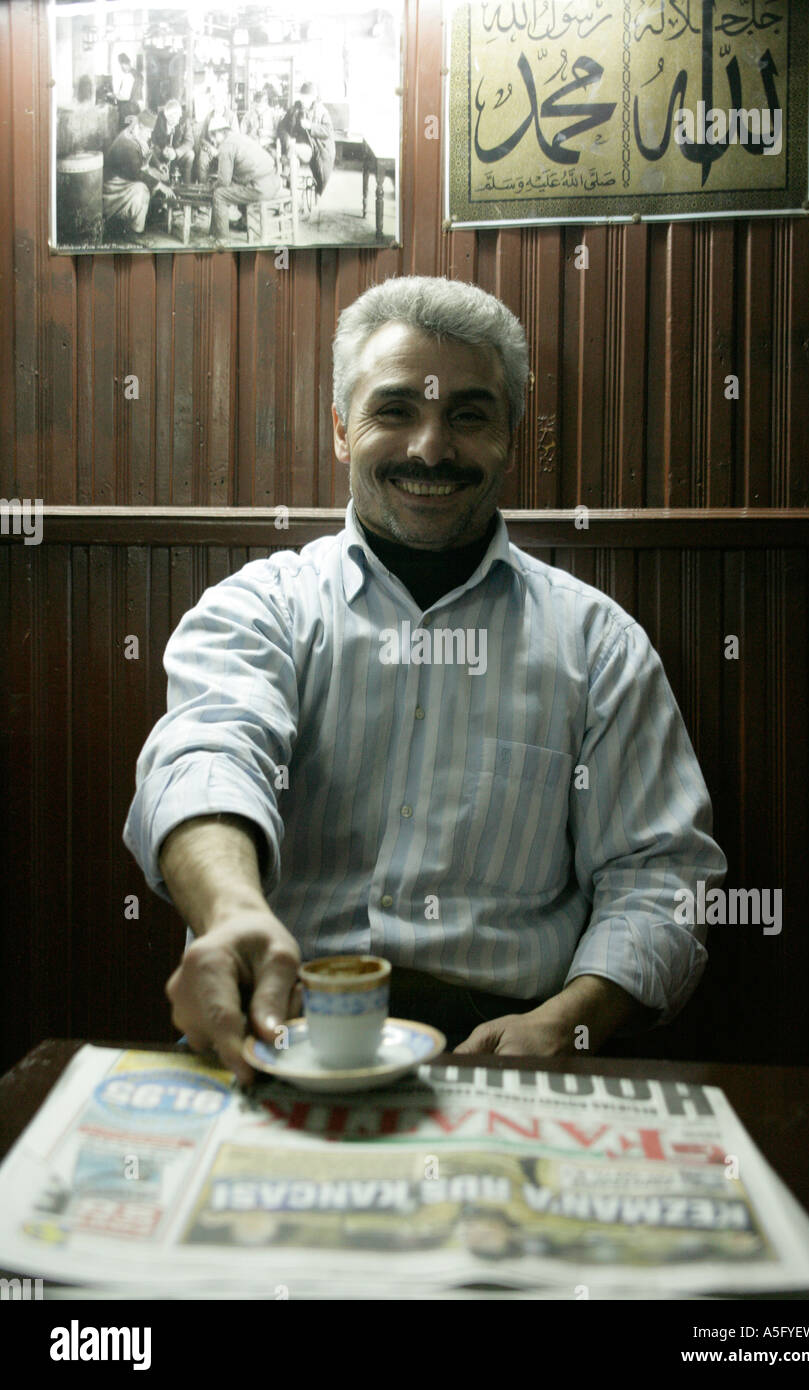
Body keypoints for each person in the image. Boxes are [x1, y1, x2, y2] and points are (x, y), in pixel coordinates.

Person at [123, 276, 727, 1084]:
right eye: (396, 410)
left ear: (512, 433)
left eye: (469, 416)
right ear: (342, 429)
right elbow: (207, 757)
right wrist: (231, 912)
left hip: (510, 1048)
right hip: (275, 1024)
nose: (431, 449)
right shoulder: (257, 609)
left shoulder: (598, 645)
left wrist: (568, 1019)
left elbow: (662, 874)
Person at [205, 116, 282, 239]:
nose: (214, 141)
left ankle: (221, 240)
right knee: (236, 186)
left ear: (221, 132)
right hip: (274, 182)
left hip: (261, 189)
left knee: (219, 194)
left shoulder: (226, 146)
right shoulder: (240, 137)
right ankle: (245, 222)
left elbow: (224, 181)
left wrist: (212, 186)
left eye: (213, 136)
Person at [102, 109, 174, 238]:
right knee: (142, 189)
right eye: (148, 132)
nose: (149, 136)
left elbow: (147, 150)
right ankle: (134, 231)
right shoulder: (126, 143)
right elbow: (138, 174)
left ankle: (149, 216)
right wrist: (160, 185)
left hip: (128, 177)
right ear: (140, 127)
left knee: (157, 175)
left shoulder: (135, 134)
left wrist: (158, 165)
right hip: (113, 188)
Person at [275, 81, 335, 197]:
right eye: (302, 97)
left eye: (306, 98)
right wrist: (287, 139)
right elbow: (281, 128)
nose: (303, 100)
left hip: (312, 149)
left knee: (290, 156)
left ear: (313, 98)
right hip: (292, 147)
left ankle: (288, 190)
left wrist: (311, 126)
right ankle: (290, 192)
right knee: (293, 157)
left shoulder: (321, 111)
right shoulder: (294, 109)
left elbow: (328, 131)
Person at [151, 99, 196, 185]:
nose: (178, 120)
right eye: (174, 117)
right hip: (161, 154)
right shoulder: (157, 120)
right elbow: (152, 141)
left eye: (179, 116)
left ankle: (186, 185)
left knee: (190, 154)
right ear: (167, 116)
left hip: (177, 154)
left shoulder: (184, 121)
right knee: (152, 153)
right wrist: (162, 151)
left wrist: (176, 153)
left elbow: (189, 141)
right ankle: (158, 184)